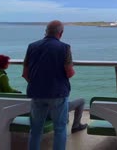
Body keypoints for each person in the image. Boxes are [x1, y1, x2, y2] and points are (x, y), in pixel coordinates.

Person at [22, 20, 85, 150]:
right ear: (60, 33)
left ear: (46, 32)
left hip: (36, 93)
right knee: (60, 129)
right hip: (58, 93)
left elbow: (25, 74)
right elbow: (69, 73)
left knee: (35, 130)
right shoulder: (65, 48)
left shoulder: (32, 46)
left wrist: (38, 83)